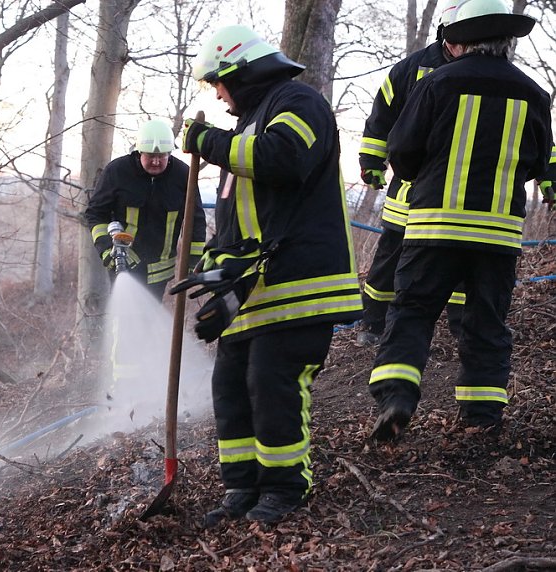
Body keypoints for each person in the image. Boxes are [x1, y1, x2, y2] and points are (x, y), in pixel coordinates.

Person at [177, 25, 362, 526]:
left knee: (272, 381)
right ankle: (242, 488)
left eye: (218, 82)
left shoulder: (299, 101)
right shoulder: (249, 125)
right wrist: (215, 275)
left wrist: (207, 141)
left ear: (238, 71)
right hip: (260, 290)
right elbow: (241, 227)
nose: (216, 94)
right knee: (231, 386)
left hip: (301, 285)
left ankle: (284, 489)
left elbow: (284, 159)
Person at [368, 0, 553, 442]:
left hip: (434, 227)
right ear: (506, 42)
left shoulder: (435, 84)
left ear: (459, 41)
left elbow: (402, 151)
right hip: (499, 235)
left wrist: (423, 175)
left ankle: (397, 396)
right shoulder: (534, 93)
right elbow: (538, 159)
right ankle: (483, 417)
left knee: (412, 311)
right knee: (486, 320)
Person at [356, 3, 466, 347]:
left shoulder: (489, 71)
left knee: (461, 264)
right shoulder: (409, 70)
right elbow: (381, 118)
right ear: (446, 34)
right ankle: (373, 323)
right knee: (390, 255)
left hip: (461, 192)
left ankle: (461, 331)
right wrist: (371, 161)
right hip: (408, 189)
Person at [84, 119, 207, 301]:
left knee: (149, 323)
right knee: (123, 322)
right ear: (139, 151)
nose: (156, 162)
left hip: (161, 271)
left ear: (170, 153)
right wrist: (106, 250)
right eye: (150, 156)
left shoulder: (183, 175)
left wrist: (193, 264)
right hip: (124, 265)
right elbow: (95, 214)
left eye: (162, 156)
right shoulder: (117, 172)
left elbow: (195, 220)